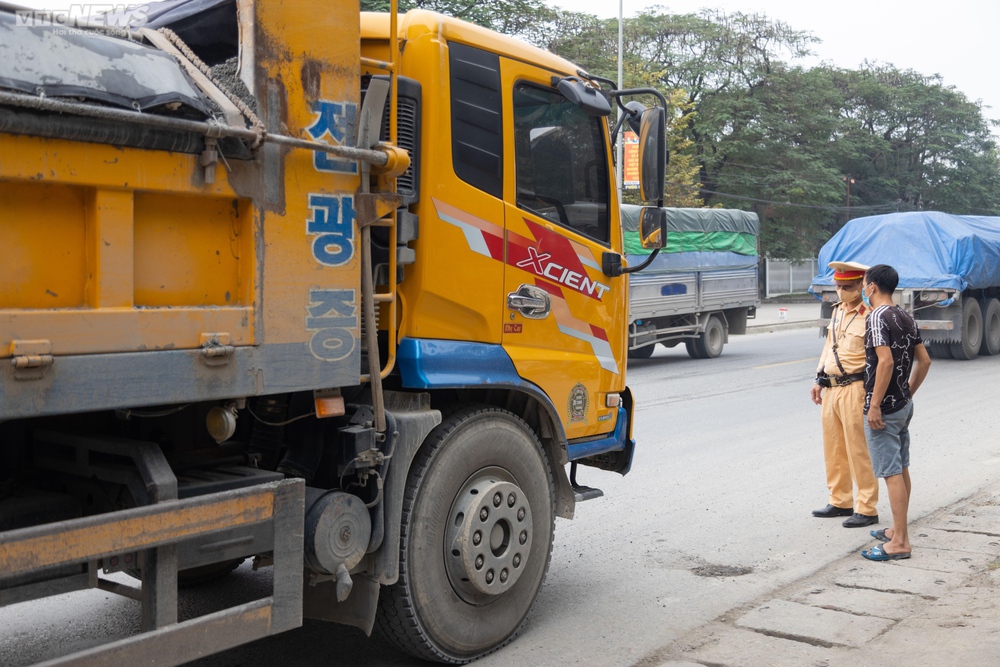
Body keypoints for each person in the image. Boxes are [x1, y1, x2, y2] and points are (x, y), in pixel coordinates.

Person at [859, 264, 931, 561]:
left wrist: (875, 405)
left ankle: (900, 542)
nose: (864, 289)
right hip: (902, 405)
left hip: (885, 409)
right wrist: (907, 393)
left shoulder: (876, 317)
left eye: (864, 284)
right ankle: (897, 530)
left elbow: (885, 363)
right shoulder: (905, 316)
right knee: (900, 468)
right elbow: (924, 361)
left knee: (890, 473)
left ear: (873, 286)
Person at [810, 260, 880, 528]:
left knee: (859, 450)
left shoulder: (871, 315)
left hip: (856, 388)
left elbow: (879, 359)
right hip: (831, 388)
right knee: (835, 447)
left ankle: (867, 507)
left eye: (847, 287)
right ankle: (840, 501)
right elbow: (829, 346)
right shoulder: (837, 311)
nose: (841, 291)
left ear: (861, 285)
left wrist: (874, 398)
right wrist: (819, 377)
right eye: (838, 286)